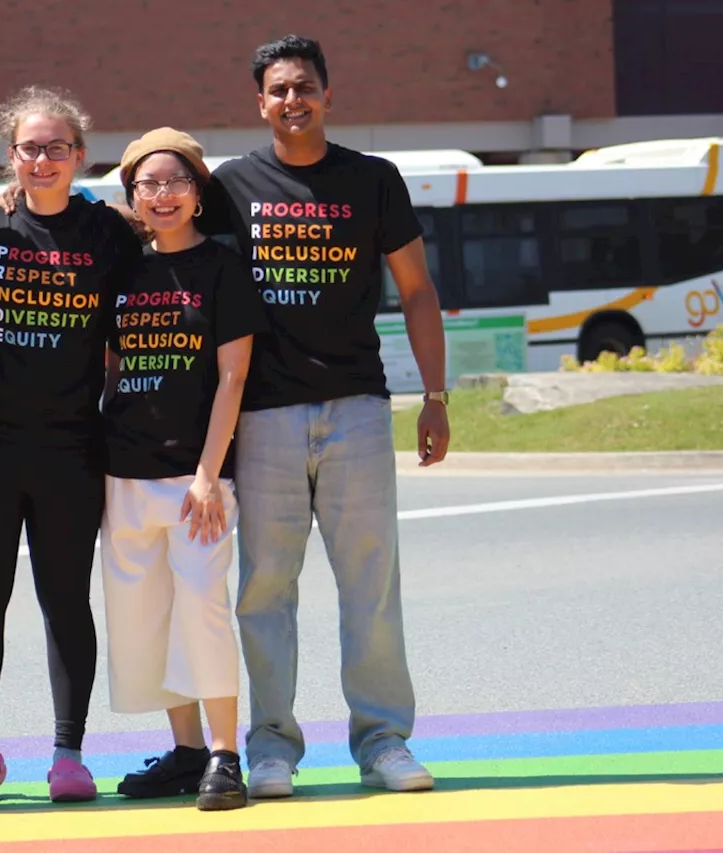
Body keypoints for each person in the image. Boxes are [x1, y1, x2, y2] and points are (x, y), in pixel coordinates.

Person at [195, 35, 452, 798]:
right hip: (265, 413)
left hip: (358, 406)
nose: (291, 100)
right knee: (265, 588)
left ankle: (383, 741)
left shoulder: (372, 180)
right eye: (277, 90)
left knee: (369, 583)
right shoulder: (232, 184)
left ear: (328, 95)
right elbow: (155, 226)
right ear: (260, 102)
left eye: (304, 86)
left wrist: (434, 396)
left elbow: (416, 290)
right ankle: (272, 746)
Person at [0, 86, 142, 805]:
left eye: (59, 146)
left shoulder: (109, 232)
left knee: (65, 601)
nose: (45, 158)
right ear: (11, 157)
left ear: (80, 155)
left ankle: (68, 753)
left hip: (70, 446)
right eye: (31, 147)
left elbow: (146, 275)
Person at [100, 129, 267, 812]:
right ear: (132, 196)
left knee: (203, 608)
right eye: (148, 184)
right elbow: (112, 366)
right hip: (124, 472)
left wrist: (207, 473)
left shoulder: (223, 269)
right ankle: (187, 750)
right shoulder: (124, 270)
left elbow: (233, 378)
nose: (162, 195)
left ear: (198, 192)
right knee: (148, 617)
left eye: (175, 182)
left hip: (195, 477)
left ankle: (227, 754)